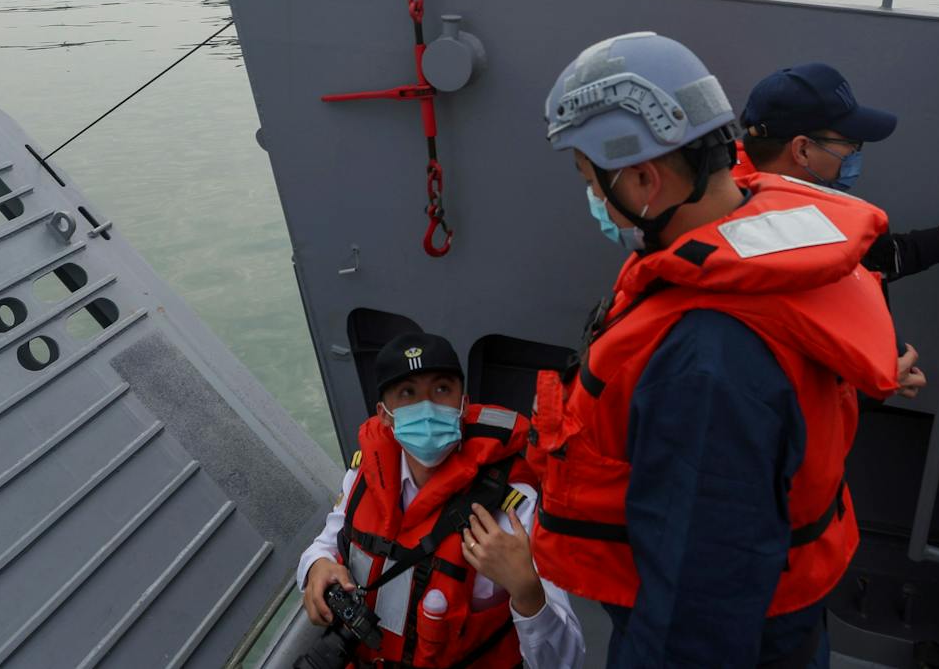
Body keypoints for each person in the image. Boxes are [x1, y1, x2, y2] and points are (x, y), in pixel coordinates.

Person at [528, 32, 901, 667]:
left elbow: (696, 609)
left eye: (592, 180)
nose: (592, 198)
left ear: (644, 179)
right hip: (787, 614)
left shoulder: (704, 361)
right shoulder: (758, 228)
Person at [296, 331, 584, 669]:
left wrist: (527, 592)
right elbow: (323, 545)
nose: (427, 406)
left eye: (442, 389)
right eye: (407, 393)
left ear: (464, 403)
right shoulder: (363, 476)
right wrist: (316, 567)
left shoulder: (515, 508)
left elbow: (567, 661)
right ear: (384, 414)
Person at [737, 62, 939, 281]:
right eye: (851, 142)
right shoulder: (769, 234)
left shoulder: (733, 189)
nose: (855, 152)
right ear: (803, 150)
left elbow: (869, 257)